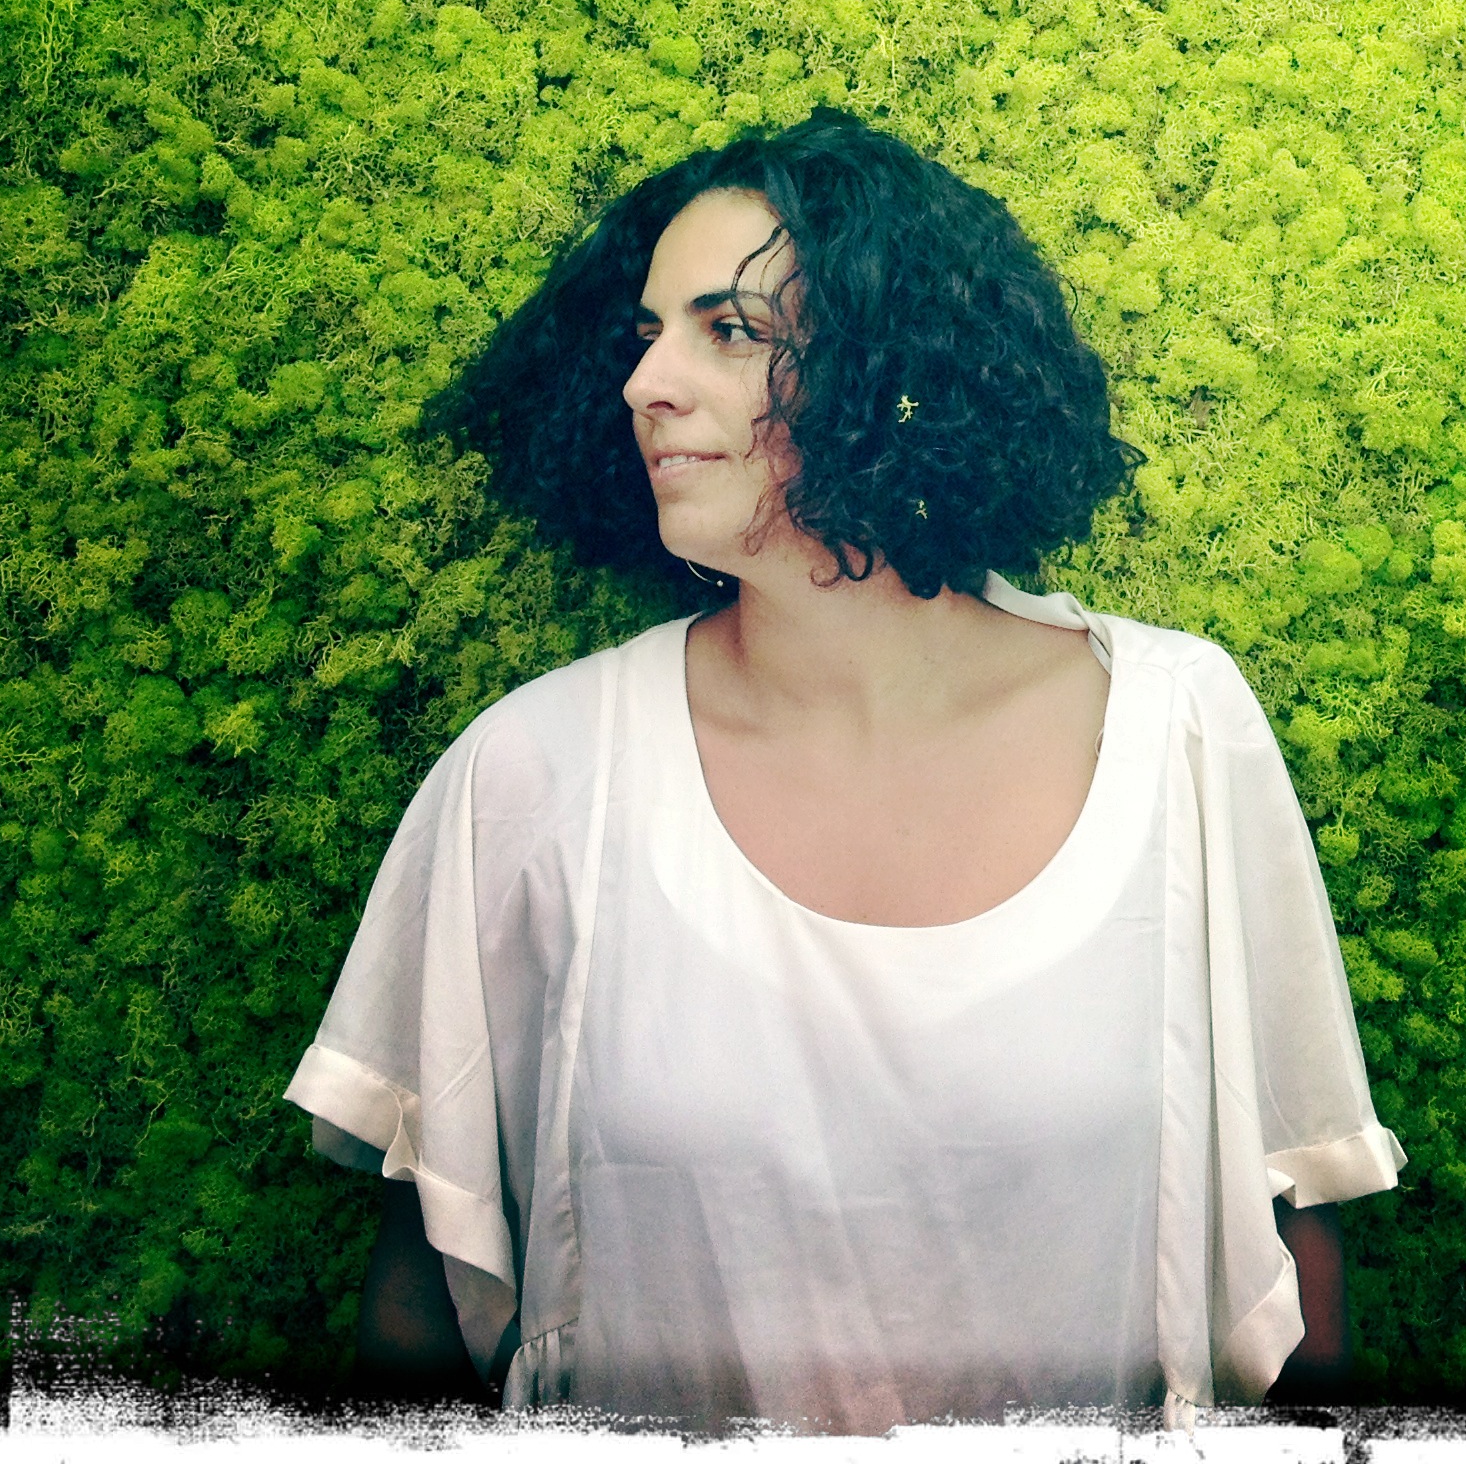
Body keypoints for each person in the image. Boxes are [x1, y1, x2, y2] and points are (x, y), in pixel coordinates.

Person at [284, 107, 1403, 1429]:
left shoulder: (1179, 730)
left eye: (730, 329)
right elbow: (427, 1288)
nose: (647, 382)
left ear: (895, 369)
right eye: (644, 334)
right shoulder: (532, 775)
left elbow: (1291, 1244)